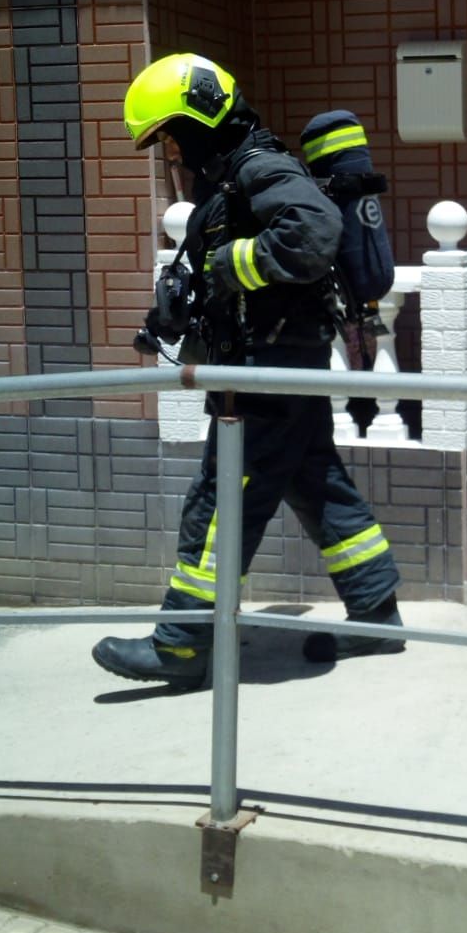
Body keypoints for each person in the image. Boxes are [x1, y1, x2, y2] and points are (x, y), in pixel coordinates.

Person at [92, 53, 404, 689]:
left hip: (267, 367)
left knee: (220, 498)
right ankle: (378, 613)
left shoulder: (260, 168)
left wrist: (233, 262)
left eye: (172, 135)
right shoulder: (234, 179)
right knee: (316, 482)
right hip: (279, 361)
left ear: (202, 115)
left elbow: (315, 232)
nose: (171, 151)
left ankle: (181, 646)